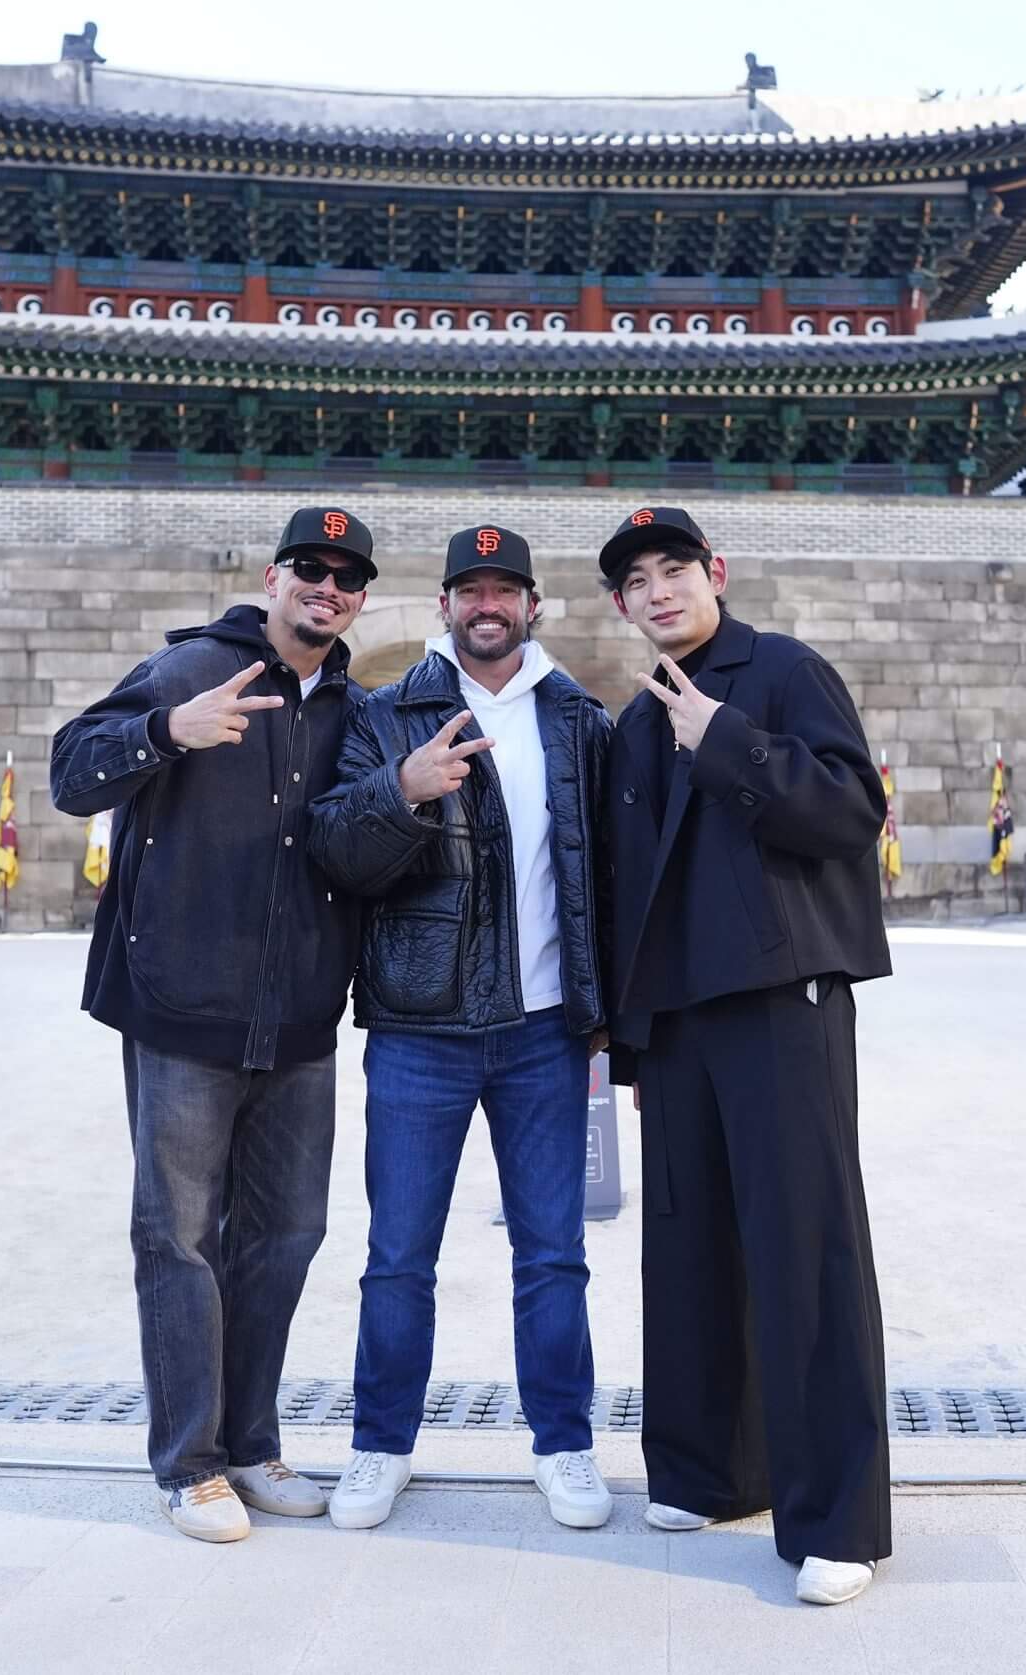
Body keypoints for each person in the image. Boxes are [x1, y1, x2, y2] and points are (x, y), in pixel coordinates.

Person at [48, 507, 376, 1544]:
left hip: (299, 1020)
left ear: (361, 597)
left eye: (346, 576)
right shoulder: (191, 666)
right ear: (274, 578)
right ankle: (188, 1463)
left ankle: (250, 1440)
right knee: (179, 1237)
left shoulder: (353, 711)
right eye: (309, 568)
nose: (325, 587)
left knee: (285, 1236)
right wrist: (162, 732)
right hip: (184, 1006)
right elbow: (70, 770)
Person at [598, 506, 895, 1606]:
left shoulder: (781, 671)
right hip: (676, 1020)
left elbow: (852, 810)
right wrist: (619, 1033)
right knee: (689, 1254)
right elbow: (626, 889)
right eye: (636, 579)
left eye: (675, 567)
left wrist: (725, 741)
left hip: (782, 1000)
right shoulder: (632, 724)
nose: (659, 589)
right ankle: (712, 1471)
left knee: (803, 1253)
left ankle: (836, 1523)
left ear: (714, 574)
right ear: (621, 607)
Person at [308, 524, 616, 1532]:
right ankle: (378, 1446)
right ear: (442, 605)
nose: (487, 605)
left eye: (505, 589)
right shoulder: (387, 717)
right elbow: (333, 855)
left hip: (542, 1034)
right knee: (398, 1255)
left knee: (553, 1255)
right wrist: (401, 793)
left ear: (533, 605)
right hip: (418, 1029)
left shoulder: (579, 722)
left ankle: (564, 1444)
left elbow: (609, 878)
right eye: (468, 589)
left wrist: (604, 1010)